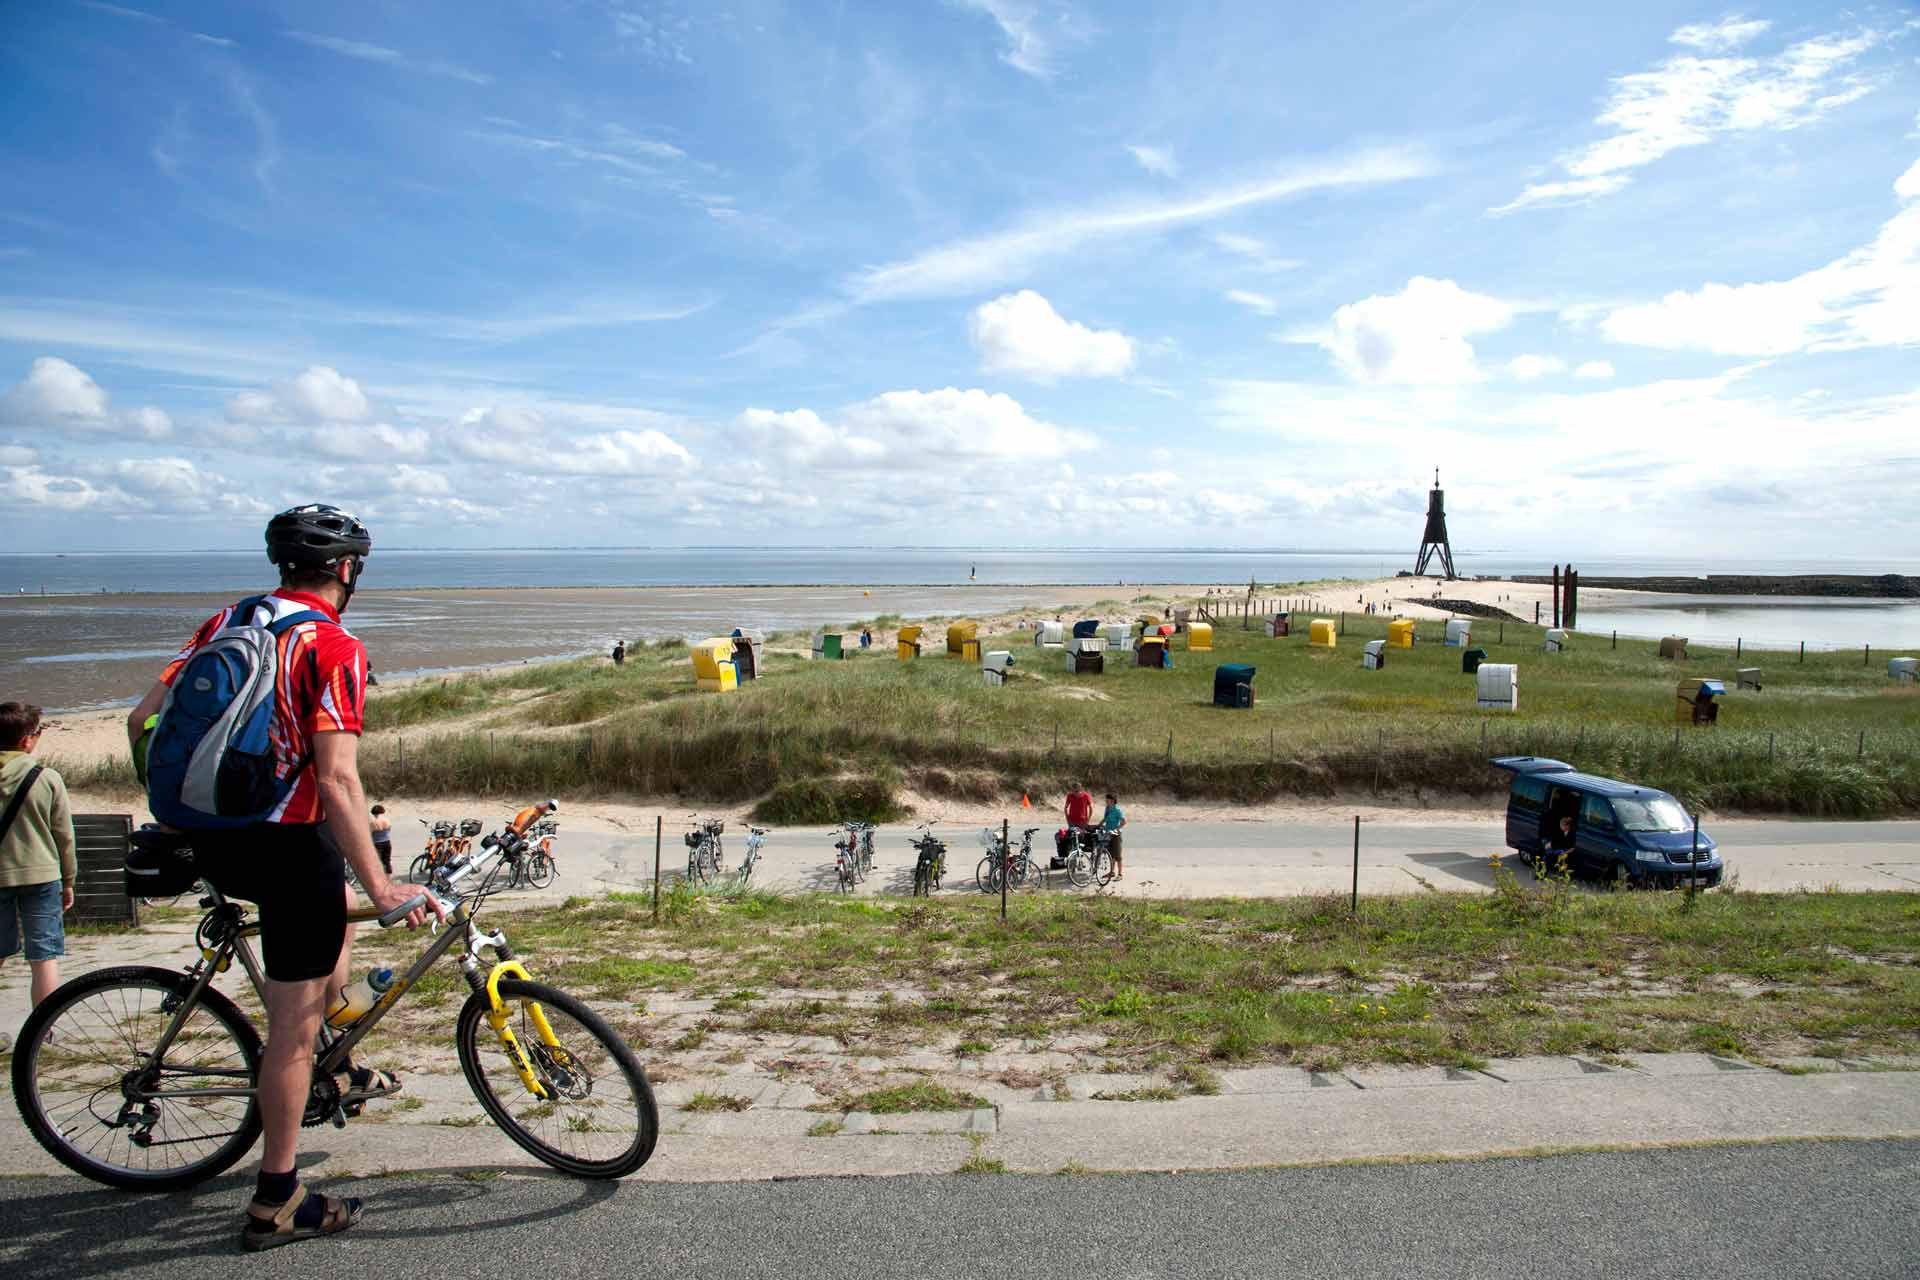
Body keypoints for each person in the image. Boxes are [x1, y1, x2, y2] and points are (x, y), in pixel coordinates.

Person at [125, 504, 437, 1251]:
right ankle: (278, 1198)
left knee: (331, 905)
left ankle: (347, 1059)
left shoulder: (225, 622)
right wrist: (386, 889)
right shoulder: (333, 646)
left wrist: (176, 814)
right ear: (348, 570)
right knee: (290, 1036)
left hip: (211, 837)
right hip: (284, 847)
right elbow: (336, 783)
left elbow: (140, 721)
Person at [0, 703, 76, 1056]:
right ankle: (42, 1034)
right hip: (42, 873)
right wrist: (70, 879)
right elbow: (64, 836)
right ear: (27, 740)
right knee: (43, 955)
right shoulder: (46, 778)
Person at [1100, 792, 1127, 880]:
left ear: (1112, 801)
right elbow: (1105, 819)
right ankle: (1111, 872)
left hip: (1116, 835)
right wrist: (1099, 825)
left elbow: (1124, 822)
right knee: (1111, 855)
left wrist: (1116, 829)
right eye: (1106, 800)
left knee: (1118, 855)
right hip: (1108, 834)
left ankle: (1120, 874)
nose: (1106, 801)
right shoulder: (1107, 809)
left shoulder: (1117, 810)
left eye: (1107, 800)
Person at [369, 804, 392, 876]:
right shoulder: (387, 820)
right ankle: (388, 877)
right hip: (387, 842)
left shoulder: (373, 822)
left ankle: (378, 877)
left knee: (377, 862)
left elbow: (370, 833)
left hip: (377, 843)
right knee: (387, 860)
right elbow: (389, 830)